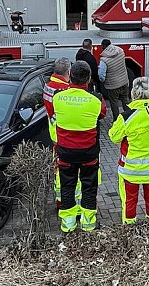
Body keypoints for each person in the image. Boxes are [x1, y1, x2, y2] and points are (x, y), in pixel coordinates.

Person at [53, 61, 106, 232]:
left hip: (65, 153)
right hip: (89, 153)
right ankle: (88, 223)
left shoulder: (57, 97)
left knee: (67, 186)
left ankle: (68, 224)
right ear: (89, 78)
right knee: (89, 187)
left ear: (70, 76)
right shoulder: (96, 100)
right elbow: (102, 114)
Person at [108, 77, 149, 225]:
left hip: (130, 171)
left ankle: (130, 230)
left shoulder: (126, 117)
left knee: (129, 202)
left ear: (133, 93)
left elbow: (114, 137)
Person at [44, 57, 72, 209]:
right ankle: (66, 201)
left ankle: (59, 199)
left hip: (54, 133)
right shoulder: (62, 90)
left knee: (57, 169)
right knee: (65, 170)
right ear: (68, 71)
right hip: (63, 135)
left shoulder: (48, 85)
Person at [99, 38, 130, 119]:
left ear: (103, 46)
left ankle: (116, 120)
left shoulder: (103, 60)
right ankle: (128, 119)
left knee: (114, 103)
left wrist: (103, 82)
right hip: (124, 82)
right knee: (125, 100)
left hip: (113, 86)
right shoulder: (120, 50)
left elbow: (101, 76)